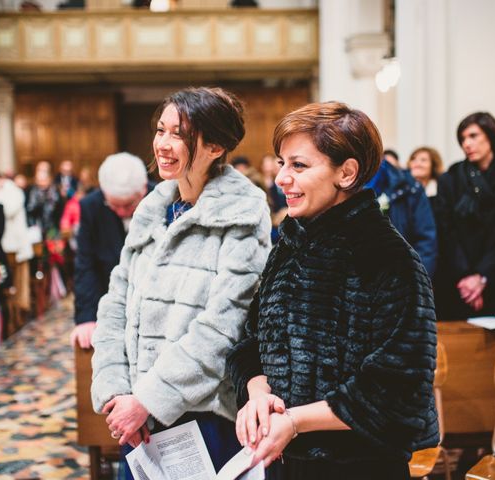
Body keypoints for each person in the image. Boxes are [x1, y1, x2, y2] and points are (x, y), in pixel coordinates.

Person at [227, 102, 438, 480]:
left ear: (346, 172)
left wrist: (294, 421)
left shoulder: (387, 256)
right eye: (281, 163)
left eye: (299, 165)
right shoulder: (291, 244)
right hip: (285, 458)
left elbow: (396, 390)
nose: (281, 178)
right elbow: (251, 340)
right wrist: (257, 393)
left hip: (358, 467)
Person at [91, 87, 272, 475]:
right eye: (161, 130)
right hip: (137, 415)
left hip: (200, 414)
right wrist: (117, 391)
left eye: (180, 135)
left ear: (216, 146)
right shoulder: (153, 208)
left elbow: (224, 326)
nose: (164, 144)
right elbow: (116, 302)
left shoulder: (242, 212)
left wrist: (150, 398)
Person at [434, 112, 495, 319]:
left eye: (473, 136)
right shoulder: (449, 180)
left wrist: (482, 277)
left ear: (492, 136)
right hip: (459, 282)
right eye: (462, 139)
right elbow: (447, 232)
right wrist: (467, 277)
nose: (466, 144)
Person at [69, 152, 151, 349]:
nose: (122, 212)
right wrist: (86, 317)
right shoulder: (91, 207)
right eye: (115, 205)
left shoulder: (165, 199)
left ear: (144, 190)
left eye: (129, 204)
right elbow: (85, 265)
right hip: (109, 297)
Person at [365, 156, 437, 278]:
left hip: (400, 275)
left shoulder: (409, 187)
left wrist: (418, 280)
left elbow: (426, 240)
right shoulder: (340, 180)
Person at [0, 169, 34, 311]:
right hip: (3, 243)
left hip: (16, 242)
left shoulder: (13, 192)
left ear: (1, 179)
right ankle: (9, 310)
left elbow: (7, 210)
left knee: (19, 280)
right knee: (7, 278)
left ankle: (20, 308)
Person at [26, 166, 64, 238]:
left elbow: (60, 210)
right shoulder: (32, 192)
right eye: (39, 180)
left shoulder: (56, 191)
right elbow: (30, 210)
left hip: (53, 226)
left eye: (44, 180)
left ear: (49, 180)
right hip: (37, 227)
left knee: (52, 246)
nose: (41, 183)